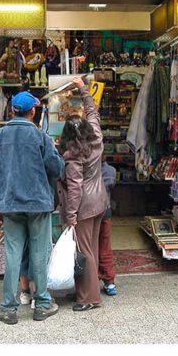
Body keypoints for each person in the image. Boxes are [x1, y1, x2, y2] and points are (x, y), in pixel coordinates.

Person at [0, 91, 64, 325]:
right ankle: (42, 304)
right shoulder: (41, 137)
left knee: (12, 253)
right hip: (38, 203)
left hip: (10, 204)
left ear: (12, 111)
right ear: (33, 112)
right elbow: (57, 168)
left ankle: (9, 308)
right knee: (40, 254)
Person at [57, 77, 107, 312]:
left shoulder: (73, 155)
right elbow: (93, 112)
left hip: (85, 206)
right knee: (92, 249)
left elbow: (75, 187)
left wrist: (71, 215)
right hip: (99, 202)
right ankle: (88, 290)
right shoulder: (96, 139)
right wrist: (83, 89)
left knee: (84, 251)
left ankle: (88, 298)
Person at [99, 159, 118, 296]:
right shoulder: (110, 170)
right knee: (105, 246)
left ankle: (90, 282)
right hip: (105, 211)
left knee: (87, 249)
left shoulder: (85, 168)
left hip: (87, 213)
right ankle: (109, 282)